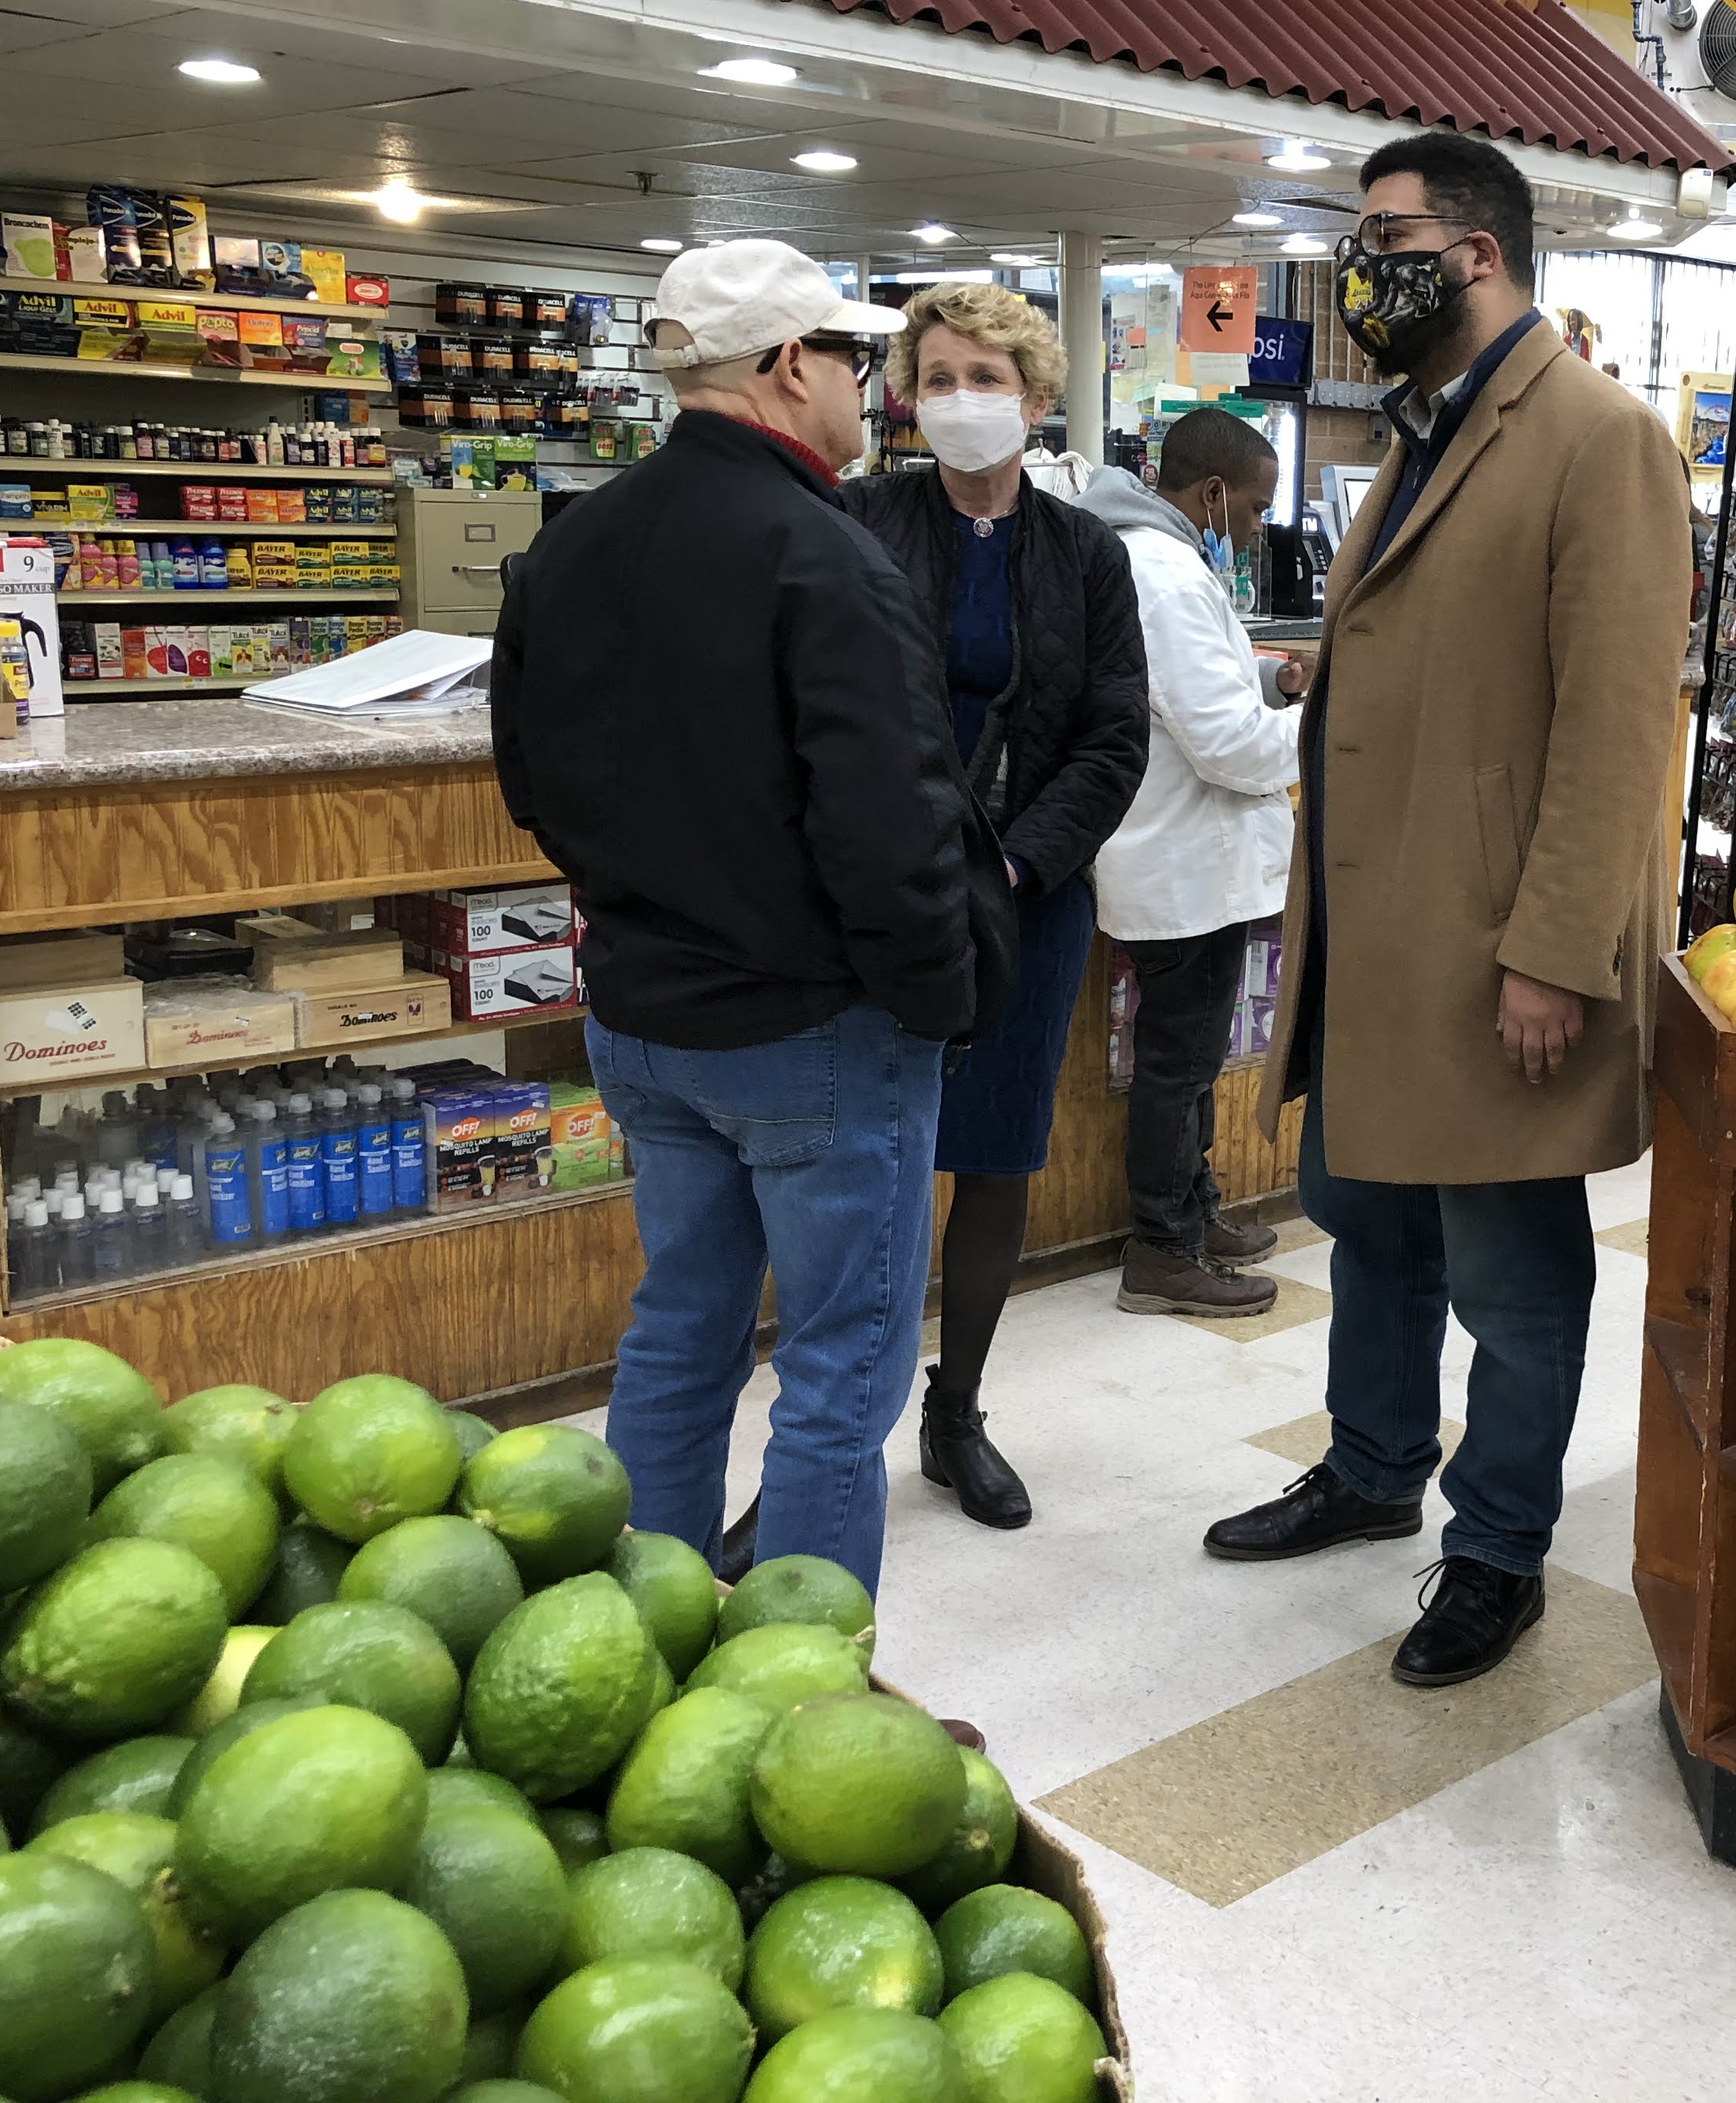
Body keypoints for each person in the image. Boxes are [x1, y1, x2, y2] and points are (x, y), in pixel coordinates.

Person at [1201, 133, 1695, 1688]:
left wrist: (1554, 950)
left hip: (1494, 944)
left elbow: (1619, 724)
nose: (1362, 268)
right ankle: (1369, 1468)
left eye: (1385, 237)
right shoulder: (1425, 428)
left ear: (1475, 254)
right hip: (1374, 934)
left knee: (1514, 1273)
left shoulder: (1597, 436)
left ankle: (1495, 1554)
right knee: (1368, 1228)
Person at [491, 240, 1010, 1600]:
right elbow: (892, 824)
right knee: (840, 1370)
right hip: (814, 1030)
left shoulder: (574, 542)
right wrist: (934, 1000)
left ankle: (646, 1643)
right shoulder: (820, 553)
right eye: (851, 359)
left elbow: (530, 783)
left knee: (679, 1333)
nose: (868, 389)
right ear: (791, 367)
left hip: (644, 1019)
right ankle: (799, 1693)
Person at [837, 284, 1147, 1532]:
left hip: (1027, 893)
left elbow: (1113, 738)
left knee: (994, 1156)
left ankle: (956, 1412)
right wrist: (898, 867)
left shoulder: (1090, 555)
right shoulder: (855, 524)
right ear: (908, 393)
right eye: (943, 375)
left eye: (991, 376)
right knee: (869, 1165)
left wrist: (1016, 867)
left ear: (1037, 395)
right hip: (878, 898)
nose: (967, 398)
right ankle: (831, 1453)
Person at [1075, 408, 1305, 1320]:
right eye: (1253, 508)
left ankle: (1195, 1215)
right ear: (1211, 492)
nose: (1256, 526)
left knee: (1194, 1058)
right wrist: (1317, 729)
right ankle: (1162, 1248)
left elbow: (1185, 696)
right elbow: (1227, 748)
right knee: (1177, 1064)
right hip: (1182, 864)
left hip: (1189, 860)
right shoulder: (1162, 572)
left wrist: (1268, 680)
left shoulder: (1165, 560)